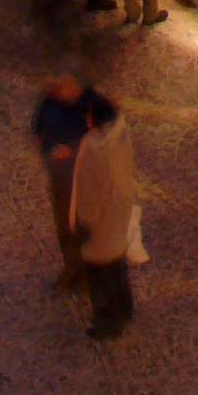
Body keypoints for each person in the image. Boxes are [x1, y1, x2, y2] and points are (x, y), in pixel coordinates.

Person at [67, 94, 141, 339]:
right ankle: (125, 308)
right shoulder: (121, 134)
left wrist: (82, 222)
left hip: (100, 226)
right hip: (119, 212)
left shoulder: (94, 149)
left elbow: (90, 195)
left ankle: (108, 323)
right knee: (116, 265)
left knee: (100, 276)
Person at [31, 74, 114, 289]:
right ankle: (72, 268)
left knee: (85, 226)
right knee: (64, 226)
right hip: (60, 177)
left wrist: (73, 150)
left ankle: (90, 276)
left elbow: (108, 135)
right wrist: (48, 150)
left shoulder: (92, 103)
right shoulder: (50, 101)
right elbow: (39, 129)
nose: (60, 86)